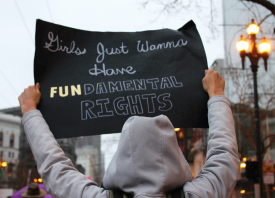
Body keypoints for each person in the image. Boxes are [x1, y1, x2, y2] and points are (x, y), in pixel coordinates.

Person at [18, 69, 240, 198]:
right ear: (173, 151)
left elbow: (54, 166)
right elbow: (224, 154)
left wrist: (30, 111)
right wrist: (217, 94)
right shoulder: (201, 194)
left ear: (122, 154)